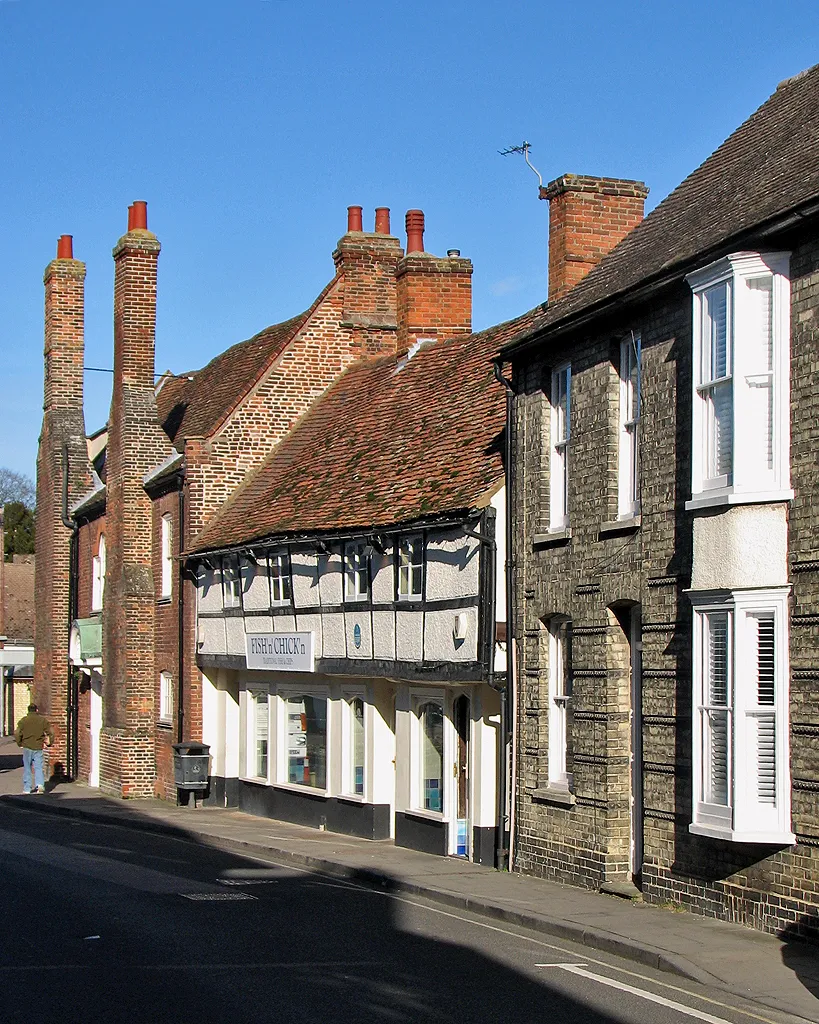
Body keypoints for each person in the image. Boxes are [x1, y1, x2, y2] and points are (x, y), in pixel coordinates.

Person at [14, 703, 54, 795]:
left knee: (27, 768)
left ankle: (27, 788)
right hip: (38, 746)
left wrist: (19, 743)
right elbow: (51, 731)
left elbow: (17, 733)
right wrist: (49, 742)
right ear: (36, 710)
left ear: (28, 711)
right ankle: (40, 784)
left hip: (27, 746)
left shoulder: (23, 721)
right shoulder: (42, 720)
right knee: (38, 767)